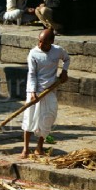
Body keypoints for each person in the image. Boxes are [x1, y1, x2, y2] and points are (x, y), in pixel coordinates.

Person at [21, 29, 69, 159]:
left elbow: (67, 59)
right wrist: (32, 92)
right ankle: (25, 149)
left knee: (47, 118)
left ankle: (39, 147)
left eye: (44, 42)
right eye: (39, 41)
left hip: (50, 89)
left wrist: (64, 72)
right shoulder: (33, 53)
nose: (40, 45)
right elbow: (31, 74)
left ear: (51, 42)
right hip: (35, 90)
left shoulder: (58, 50)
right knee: (29, 118)